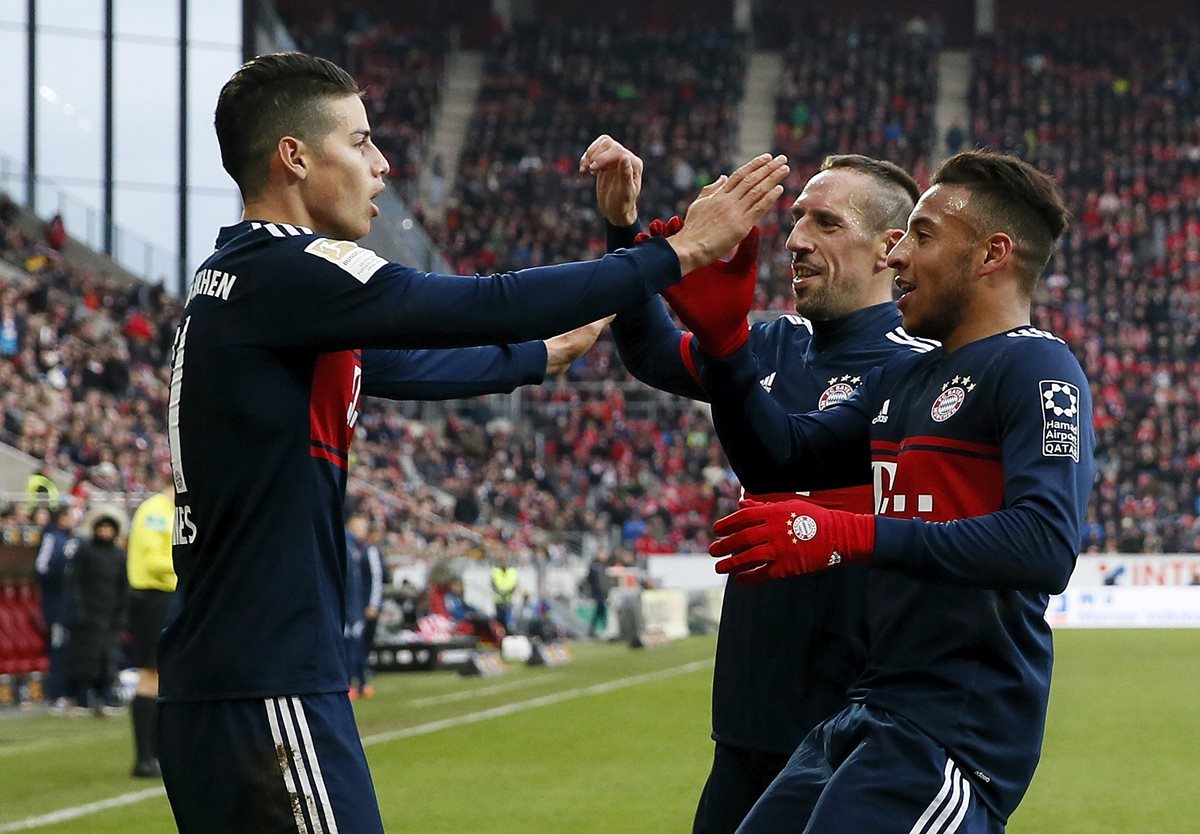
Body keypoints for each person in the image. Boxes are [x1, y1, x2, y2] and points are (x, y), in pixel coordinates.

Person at [158, 50, 788, 834]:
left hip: (228, 674)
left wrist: (545, 353)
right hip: (266, 681)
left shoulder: (247, 283)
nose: (382, 164)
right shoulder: (290, 268)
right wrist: (675, 253)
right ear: (294, 156)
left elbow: (425, 362)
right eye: (359, 143)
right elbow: (482, 304)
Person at [684, 151, 1094, 833]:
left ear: (992, 254)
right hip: (868, 710)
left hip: (954, 733)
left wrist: (851, 535)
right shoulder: (904, 379)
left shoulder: (1037, 365)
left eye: (923, 235)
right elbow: (781, 460)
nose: (899, 255)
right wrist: (726, 348)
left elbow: (1045, 545)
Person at [580, 135, 927, 833]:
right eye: (797, 219)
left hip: (852, 717)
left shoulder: (917, 368)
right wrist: (623, 229)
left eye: (826, 223)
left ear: (890, 246)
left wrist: (725, 341)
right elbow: (648, 350)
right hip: (747, 709)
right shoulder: (774, 342)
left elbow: (782, 458)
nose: (796, 239)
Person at [125, 480, 177, 777]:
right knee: (150, 674)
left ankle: (156, 753)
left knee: (163, 675)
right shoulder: (155, 512)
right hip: (151, 599)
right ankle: (144, 757)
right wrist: (189, 563)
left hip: (165, 597)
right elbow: (153, 560)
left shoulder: (169, 510)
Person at [66, 504, 128, 716]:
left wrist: (121, 613)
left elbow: (123, 585)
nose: (105, 532)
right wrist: (79, 609)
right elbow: (75, 582)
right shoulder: (85, 551)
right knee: (86, 658)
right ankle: (84, 697)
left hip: (110, 614)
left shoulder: (119, 555)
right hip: (89, 614)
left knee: (108, 657)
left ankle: (106, 695)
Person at [34, 505, 77, 708]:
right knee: (58, 648)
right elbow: (42, 567)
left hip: (72, 605)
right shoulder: (52, 538)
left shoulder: (71, 539)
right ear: (62, 517)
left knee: (69, 648)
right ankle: (57, 693)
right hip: (57, 605)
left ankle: (70, 692)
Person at [343, 511, 381, 700]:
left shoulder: (359, 547)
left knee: (357, 643)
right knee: (351, 642)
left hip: (356, 604)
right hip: (350, 605)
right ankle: (350, 681)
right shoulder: (348, 545)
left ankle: (359, 681)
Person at [490, 553, 519, 632]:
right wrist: (500, 592)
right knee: (499, 622)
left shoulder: (513, 571)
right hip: (498, 601)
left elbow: (514, 585)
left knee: (509, 621)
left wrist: (506, 592)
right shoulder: (495, 571)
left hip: (509, 601)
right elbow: (494, 584)